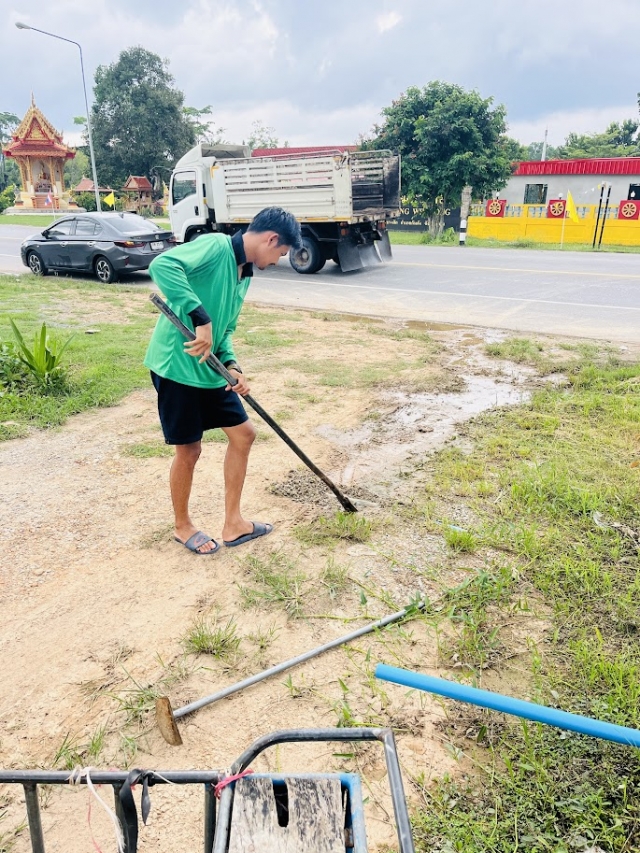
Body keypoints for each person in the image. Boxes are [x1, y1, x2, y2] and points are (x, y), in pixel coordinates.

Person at [144, 207, 303, 554]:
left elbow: (226, 327)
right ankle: (182, 526)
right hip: (178, 365)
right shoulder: (216, 246)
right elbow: (163, 266)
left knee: (243, 434)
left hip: (210, 368)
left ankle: (233, 524)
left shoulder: (244, 274)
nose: (278, 261)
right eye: (281, 253)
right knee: (190, 449)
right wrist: (199, 316)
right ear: (271, 239)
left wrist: (232, 364)